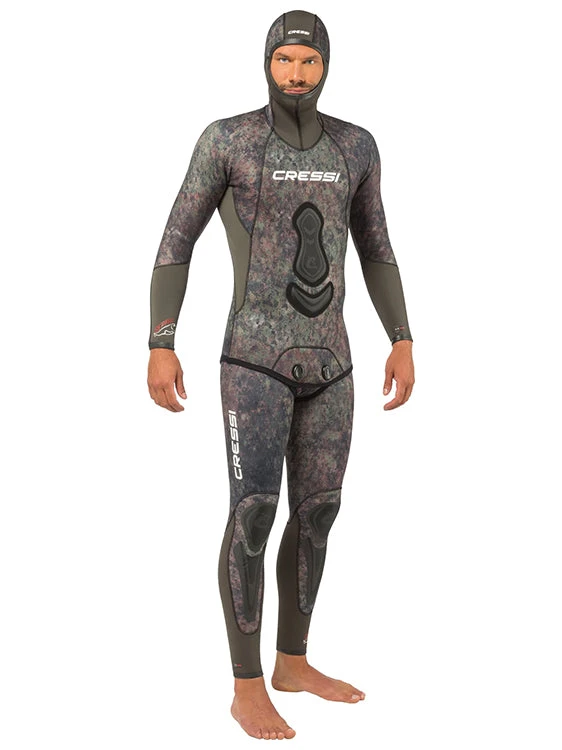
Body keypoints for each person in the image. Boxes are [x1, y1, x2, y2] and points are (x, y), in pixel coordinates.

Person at [147, 9, 414, 740]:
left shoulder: (356, 146)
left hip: (334, 363)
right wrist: (161, 341)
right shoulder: (228, 139)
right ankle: (247, 686)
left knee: (320, 511)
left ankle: (293, 663)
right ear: (267, 62)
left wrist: (402, 336)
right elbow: (175, 239)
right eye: (285, 60)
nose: (296, 74)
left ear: (326, 65)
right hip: (253, 361)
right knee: (255, 513)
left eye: (309, 61)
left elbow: (377, 245)